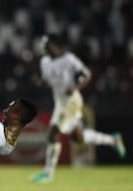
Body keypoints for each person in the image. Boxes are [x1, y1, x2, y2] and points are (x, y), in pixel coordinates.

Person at [30, 34, 126, 183]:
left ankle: (48, 173)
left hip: (71, 101)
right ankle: (112, 140)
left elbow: (86, 74)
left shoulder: (69, 59)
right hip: (60, 102)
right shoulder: (44, 62)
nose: (43, 48)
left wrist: (75, 86)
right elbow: (49, 82)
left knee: (53, 133)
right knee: (78, 138)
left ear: (54, 44)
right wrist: (40, 82)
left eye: (46, 45)